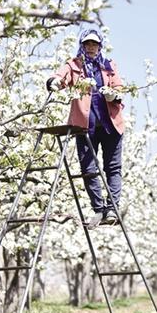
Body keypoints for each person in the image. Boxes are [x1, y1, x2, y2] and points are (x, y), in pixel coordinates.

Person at [47, 29, 125, 229]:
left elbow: (119, 89)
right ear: (82, 45)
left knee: (112, 168)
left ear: (100, 46)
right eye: (88, 44)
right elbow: (59, 78)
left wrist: (113, 95)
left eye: (95, 45)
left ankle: (112, 209)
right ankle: (98, 208)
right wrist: (54, 83)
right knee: (88, 168)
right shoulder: (74, 65)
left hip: (110, 125)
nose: (91, 48)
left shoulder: (109, 66)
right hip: (85, 126)